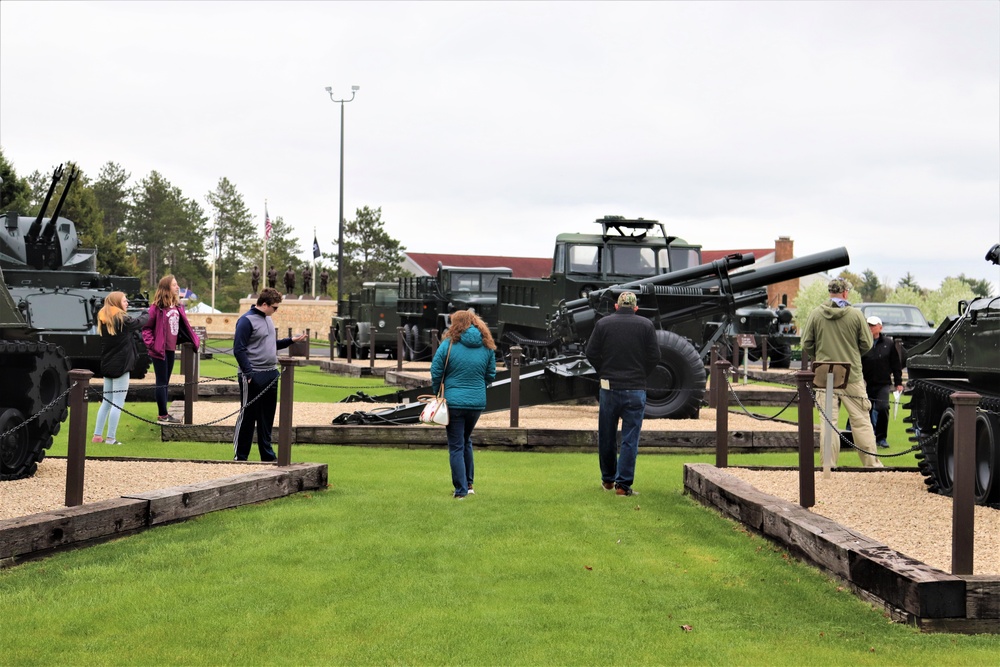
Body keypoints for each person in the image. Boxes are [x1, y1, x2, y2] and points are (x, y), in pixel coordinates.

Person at [584, 291, 661, 496]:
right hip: (635, 387)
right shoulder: (646, 325)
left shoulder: (603, 324)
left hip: (609, 388)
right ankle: (623, 485)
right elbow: (655, 356)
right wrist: (642, 374)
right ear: (636, 308)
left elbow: (591, 353)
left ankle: (608, 480)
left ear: (616, 306)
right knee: (629, 438)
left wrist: (604, 371)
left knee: (607, 436)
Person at [800, 278, 882, 467]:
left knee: (828, 423)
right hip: (851, 374)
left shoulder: (816, 314)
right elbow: (867, 344)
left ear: (830, 292)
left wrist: (819, 356)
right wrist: (852, 354)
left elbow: (806, 344)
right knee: (861, 421)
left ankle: (828, 465)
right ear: (845, 293)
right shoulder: (855, 315)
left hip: (824, 374)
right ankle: (871, 465)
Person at [232, 287, 307, 461]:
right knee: (247, 417)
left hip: (271, 374)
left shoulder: (268, 319)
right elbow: (238, 349)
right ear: (264, 304)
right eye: (275, 307)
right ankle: (240, 456)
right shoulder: (246, 321)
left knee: (267, 418)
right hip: (252, 376)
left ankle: (267, 455)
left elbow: (271, 345)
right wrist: (249, 374)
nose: (276, 310)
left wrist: (290, 341)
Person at [430, 309, 497, 499]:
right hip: (476, 403)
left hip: (454, 401)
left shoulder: (449, 344)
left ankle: (460, 491)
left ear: (456, 324)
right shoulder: (487, 345)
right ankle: (469, 484)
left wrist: (438, 391)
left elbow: (436, 370)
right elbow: (490, 374)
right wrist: (477, 387)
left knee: (456, 446)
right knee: (466, 441)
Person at [142, 274, 201, 424]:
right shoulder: (156, 308)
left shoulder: (178, 307)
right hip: (159, 350)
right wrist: (152, 345)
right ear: (167, 287)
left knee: (166, 381)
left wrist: (194, 340)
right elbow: (146, 328)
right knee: (162, 382)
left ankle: (164, 413)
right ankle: (163, 415)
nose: (177, 287)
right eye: (174, 284)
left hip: (170, 349)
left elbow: (185, 326)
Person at [92, 292, 148, 445]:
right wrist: (147, 312)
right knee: (118, 403)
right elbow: (138, 322)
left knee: (106, 402)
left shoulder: (105, 318)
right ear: (117, 303)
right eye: (124, 301)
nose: (127, 303)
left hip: (108, 364)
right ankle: (111, 438)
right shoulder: (121, 318)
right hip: (121, 365)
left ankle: (97, 436)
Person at [861, 316, 904, 449]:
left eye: (873, 325)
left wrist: (898, 383)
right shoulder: (862, 343)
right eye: (868, 325)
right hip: (866, 384)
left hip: (883, 384)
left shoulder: (889, 344)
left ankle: (881, 438)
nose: (870, 328)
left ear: (880, 327)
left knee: (883, 408)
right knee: (865, 410)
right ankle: (867, 438)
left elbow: (896, 364)